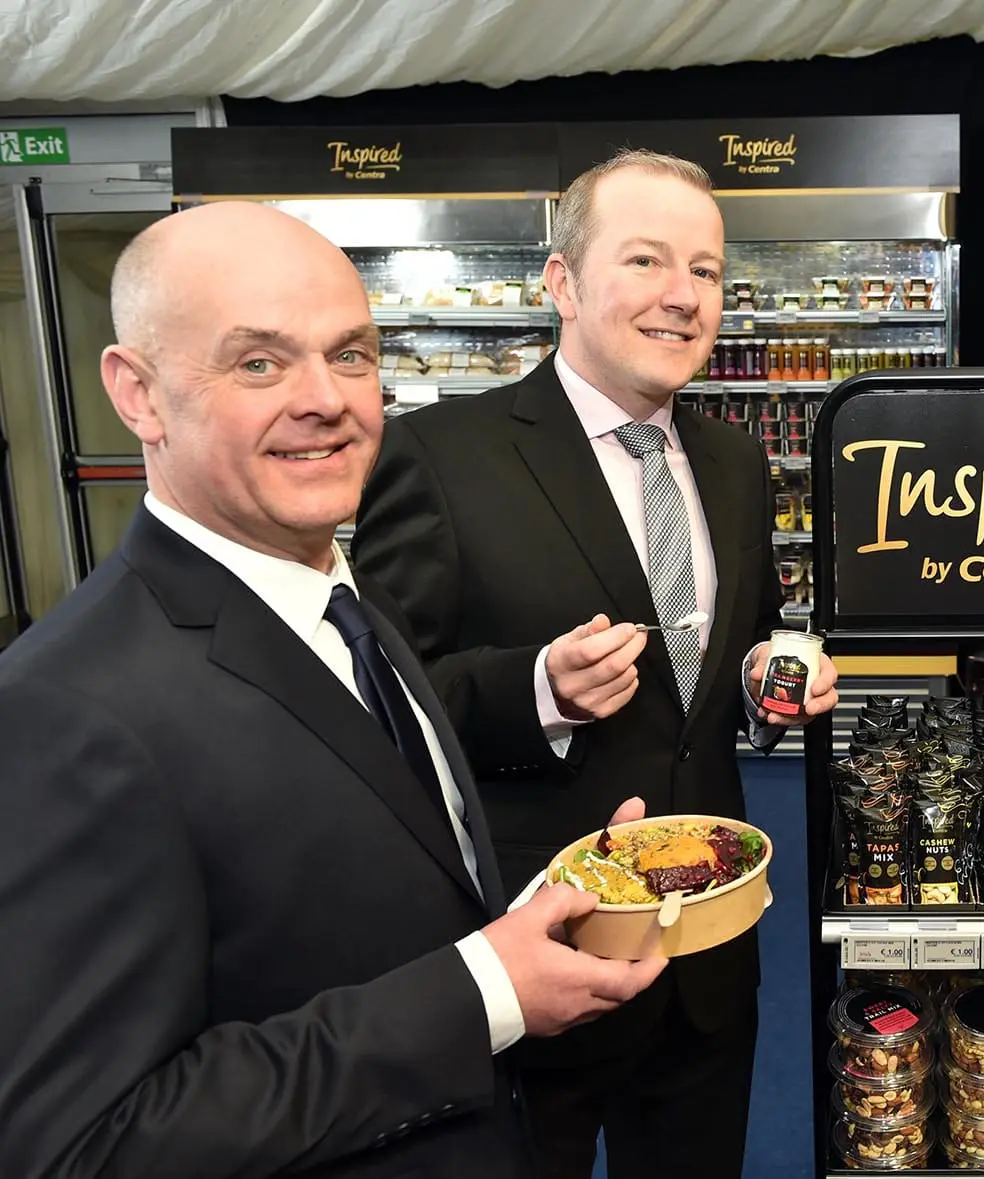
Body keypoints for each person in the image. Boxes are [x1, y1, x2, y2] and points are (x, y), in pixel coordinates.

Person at [0, 202, 668, 1179]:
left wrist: (528, 918)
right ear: (137, 394)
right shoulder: (61, 711)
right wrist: (484, 989)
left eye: (350, 354)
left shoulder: (345, 597)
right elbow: (83, 1143)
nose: (325, 399)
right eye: (258, 363)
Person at [352, 149, 839, 1179]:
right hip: (542, 946)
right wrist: (537, 689)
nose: (682, 295)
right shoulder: (439, 454)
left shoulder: (735, 460)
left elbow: (735, 649)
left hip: (708, 951)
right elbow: (382, 703)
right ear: (562, 283)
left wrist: (763, 683)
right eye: (646, 260)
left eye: (705, 270)